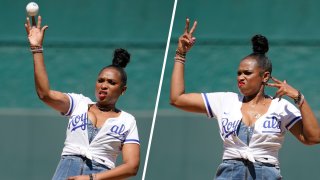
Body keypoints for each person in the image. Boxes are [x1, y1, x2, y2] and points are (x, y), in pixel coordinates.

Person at [170, 18, 320, 179]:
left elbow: (313, 138)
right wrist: (181, 54)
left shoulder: (280, 106)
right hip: (229, 173)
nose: (241, 77)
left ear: (265, 76)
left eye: (247, 73)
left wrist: (298, 97)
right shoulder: (226, 101)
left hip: (266, 172)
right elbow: (177, 99)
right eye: (239, 73)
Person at [25, 16, 140, 180]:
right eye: (100, 80)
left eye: (111, 82)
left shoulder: (127, 121)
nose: (104, 85)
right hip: (66, 170)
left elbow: (131, 166)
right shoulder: (78, 103)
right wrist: (36, 49)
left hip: (100, 174)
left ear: (123, 90)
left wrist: (92, 178)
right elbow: (45, 94)